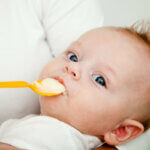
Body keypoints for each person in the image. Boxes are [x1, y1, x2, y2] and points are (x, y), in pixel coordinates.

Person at [0, 23, 149, 150]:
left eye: (99, 80)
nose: (72, 68)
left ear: (120, 130)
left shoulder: (54, 134)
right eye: (73, 57)